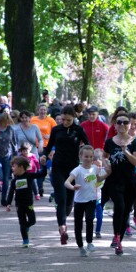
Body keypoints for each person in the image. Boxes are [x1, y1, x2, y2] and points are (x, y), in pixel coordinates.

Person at [41, 105, 90, 245]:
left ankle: (63, 216)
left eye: (68, 120)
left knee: (69, 201)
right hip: (58, 168)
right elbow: (48, 147)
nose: (65, 122)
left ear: (74, 118)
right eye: (63, 119)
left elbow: (88, 144)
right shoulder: (56, 129)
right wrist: (44, 156)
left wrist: (91, 158)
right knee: (61, 197)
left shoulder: (78, 130)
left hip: (73, 169)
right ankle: (62, 228)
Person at [101, 111, 136, 256]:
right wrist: (106, 163)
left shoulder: (135, 142)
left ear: (130, 125)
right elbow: (104, 156)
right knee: (120, 206)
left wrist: (126, 152)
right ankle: (117, 235)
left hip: (129, 182)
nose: (122, 125)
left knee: (125, 212)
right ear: (115, 126)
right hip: (114, 180)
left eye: (125, 122)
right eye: (119, 122)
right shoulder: (110, 142)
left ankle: (119, 240)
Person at [65, 145, 109, 256]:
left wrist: (107, 174)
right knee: (78, 225)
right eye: (86, 156)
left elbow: (98, 179)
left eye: (90, 157)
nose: (88, 159)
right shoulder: (77, 170)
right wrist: (73, 187)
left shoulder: (94, 168)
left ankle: (89, 242)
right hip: (79, 201)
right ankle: (80, 247)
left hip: (91, 200)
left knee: (90, 219)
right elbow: (66, 182)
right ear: (81, 156)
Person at [4, 156, 46, 247]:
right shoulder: (14, 180)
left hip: (29, 204)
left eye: (14, 166)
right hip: (19, 205)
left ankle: (26, 227)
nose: (12, 168)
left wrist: (44, 165)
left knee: (32, 220)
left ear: (21, 167)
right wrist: (8, 203)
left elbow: (42, 174)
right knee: (22, 222)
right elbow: (11, 192)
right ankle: (25, 240)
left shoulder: (29, 176)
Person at [13, 109, 46, 196]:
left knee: (32, 173)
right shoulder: (17, 129)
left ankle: (36, 191)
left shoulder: (34, 127)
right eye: (22, 118)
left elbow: (40, 139)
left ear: (29, 118)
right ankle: (23, 192)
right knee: (21, 173)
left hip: (33, 153)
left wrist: (41, 146)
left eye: (26, 117)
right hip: (21, 155)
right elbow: (15, 142)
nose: (24, 119)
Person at [0, 112, 17, 206]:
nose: (6, 124)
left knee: (6, 179)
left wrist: (15, 156)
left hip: (7, 156)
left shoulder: (10, 129)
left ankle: (4, 198)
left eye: (8, 122)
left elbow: (14, 143)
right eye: (5, 122)